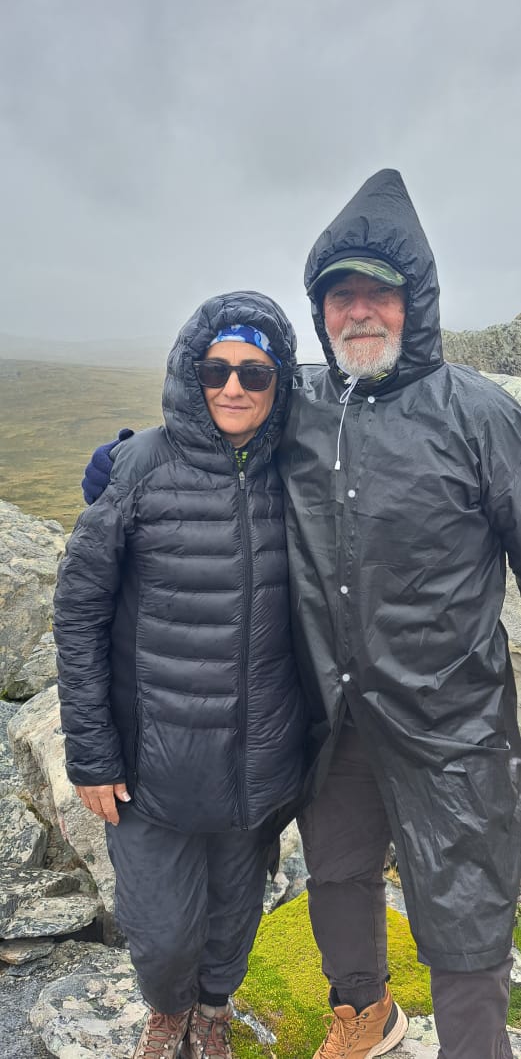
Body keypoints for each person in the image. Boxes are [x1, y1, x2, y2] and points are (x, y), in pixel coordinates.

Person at [83, 170, 521, 1059]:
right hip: (336, 713)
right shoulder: (305, 402)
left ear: (414, 301)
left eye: (377, 293)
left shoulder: (478, 414)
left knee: (463, 904)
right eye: (338, 295)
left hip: (452, 719)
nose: (358, 311)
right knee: (337, 874)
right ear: (319, 311)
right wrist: (127, 459)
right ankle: (365, 1013)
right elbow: (217, 430)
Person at [53, 292, 307, 1059]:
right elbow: (79, 612)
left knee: (234, 916)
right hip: (151, 765)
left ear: (279, 384)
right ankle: (168, 1011)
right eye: (215, 369)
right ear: (189, 374)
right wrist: (91, 755)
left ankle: (213, 1011)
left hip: (258, 763)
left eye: (255, 373)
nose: (232, 387)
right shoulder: (136, 467)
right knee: (161, 931)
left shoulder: (298, 476)